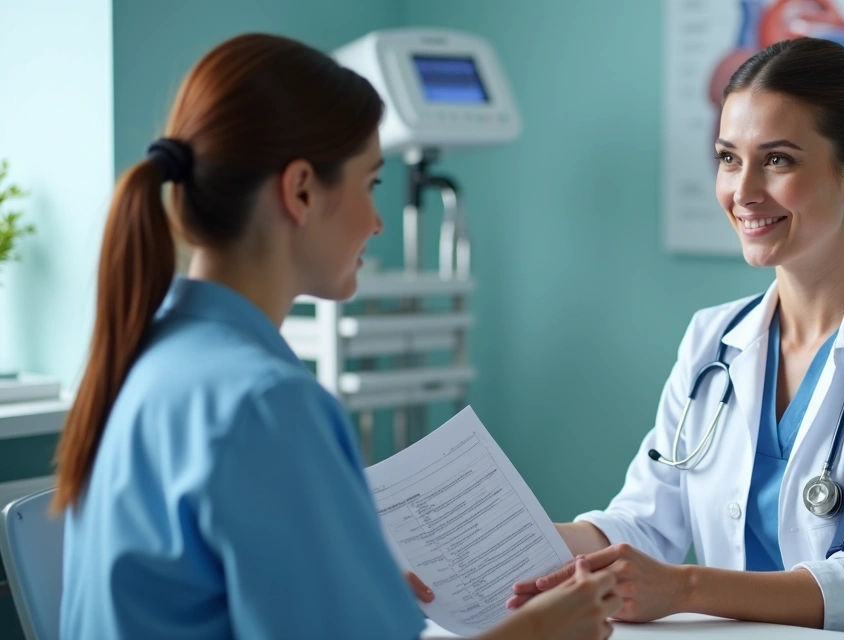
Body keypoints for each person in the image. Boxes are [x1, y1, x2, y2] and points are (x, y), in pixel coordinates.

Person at [53, 33, 619, 640]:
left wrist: (349, 586)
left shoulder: (146, 354)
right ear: (300, 191)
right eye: (372, 183)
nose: (377, 221)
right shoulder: (266, 405)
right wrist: (539, 631)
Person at [507, 38, 844, 639]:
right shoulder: (714, 339)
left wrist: (682, 588)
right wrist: (511, 542)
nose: (744, 191)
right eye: (729, 158)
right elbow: (644, 522)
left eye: (777, 160)